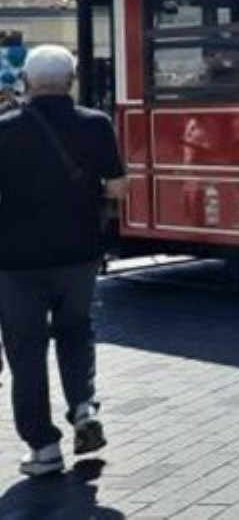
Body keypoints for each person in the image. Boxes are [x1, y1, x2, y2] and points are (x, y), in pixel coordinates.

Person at [0, 46, 127, 476]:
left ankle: (44, 447)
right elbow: (117, 189)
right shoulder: (96, 124)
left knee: (26, 350)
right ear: (71, 80)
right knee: (76, 331)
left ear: (27, 82)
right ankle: (84, 407)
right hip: (79, 254)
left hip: (16, 261)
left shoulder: (4, 129)